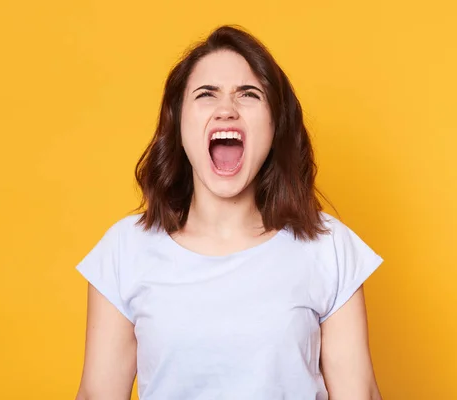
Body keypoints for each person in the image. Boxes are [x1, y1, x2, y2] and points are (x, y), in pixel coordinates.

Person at [74, 25, 384, 400]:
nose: (226, 110)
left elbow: (358, 393)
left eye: (249, 95)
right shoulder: (124, 251)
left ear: (273, 124)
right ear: (179, 121)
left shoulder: (328, 246)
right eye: (206, 94)